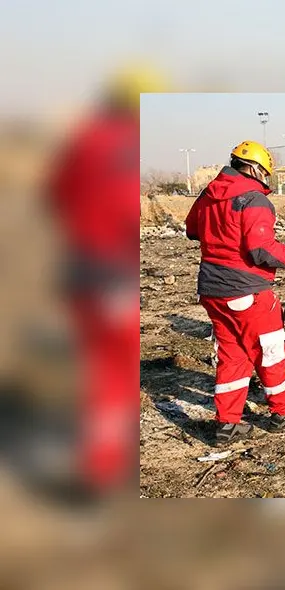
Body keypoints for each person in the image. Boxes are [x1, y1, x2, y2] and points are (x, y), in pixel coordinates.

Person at [46, 64, 166, 494]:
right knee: (115, 373)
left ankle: (91, 453)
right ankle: (99, 469)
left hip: (78, 269)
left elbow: (54, 194)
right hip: (112, 274)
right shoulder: (123, 146)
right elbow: (122, 208)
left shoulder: (83, 139)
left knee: (93, 365)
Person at [185, 141, 285, 446]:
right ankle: (283, 414)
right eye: (265, 173)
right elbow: (261, 249)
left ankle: (227, 424)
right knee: (270, 352)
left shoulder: (208, 194)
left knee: (232, 355)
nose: (265, 179)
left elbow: (192, 229)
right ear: (256, 168)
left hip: (212, 291)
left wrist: (220, 234)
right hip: (247, 291)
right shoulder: (254, 199)